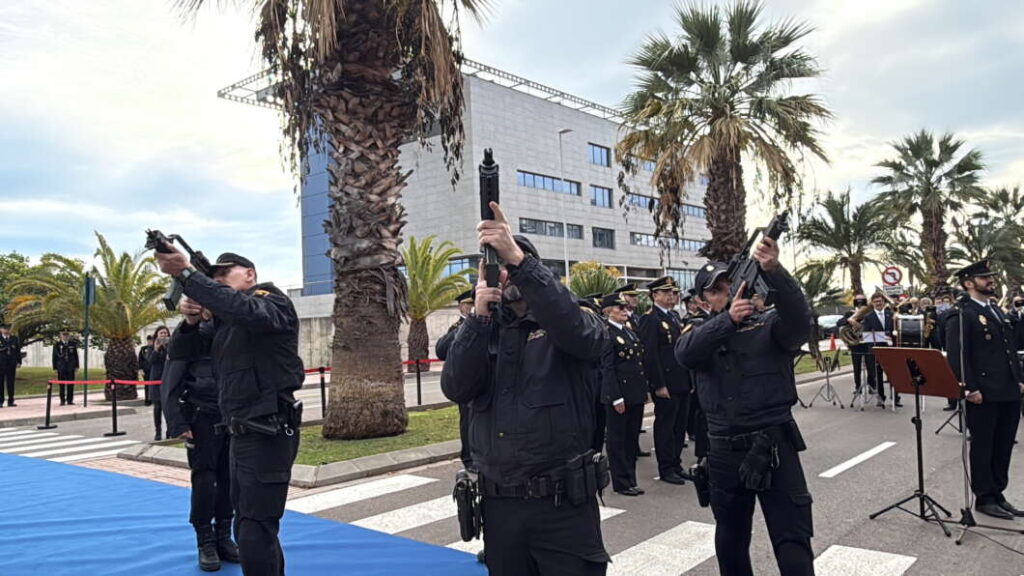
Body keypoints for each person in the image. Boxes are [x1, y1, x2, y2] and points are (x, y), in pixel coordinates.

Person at [441, 202, 610, 576]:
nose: (508, 273)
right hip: (502, 509)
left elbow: (580, 334)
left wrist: (518, 258)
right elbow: (456, 386)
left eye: (513, 263)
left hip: (563, 506)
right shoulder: (483, 331)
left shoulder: (571, 319)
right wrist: (478, 320)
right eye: (499, 265)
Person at [155, 250, 303, 576]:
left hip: (267, 430)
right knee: (249, 523)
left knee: (254, 527)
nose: (218, 282)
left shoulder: (270, 301)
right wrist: (191, 321)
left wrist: (188, 276)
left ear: (249, 274)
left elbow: (245, 309)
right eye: (214, 278)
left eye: (224, 275)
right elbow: (180, 353)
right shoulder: (228, 322)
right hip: (240, 433)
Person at [676, 237, 815, 576]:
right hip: (725, 450)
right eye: (715, 291)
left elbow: (800, 322)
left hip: (775, 443)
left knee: (793, 541)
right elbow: (685, 354)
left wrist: (774, 271)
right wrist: (728, 321)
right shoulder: (701, 330)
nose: (726, 293)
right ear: (701, 301)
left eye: (729, 285)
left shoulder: (768, 323)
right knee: (731, 539)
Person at [945, 260, 1024, 520]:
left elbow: (1008, 349)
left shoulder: (995, 310)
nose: (991, 280)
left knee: (1002, 445)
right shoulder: (962, 313)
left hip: (1008, 390)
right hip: (983, 393)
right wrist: (970, 388)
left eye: (990, 276)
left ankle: (998, 493)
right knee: (983, 445)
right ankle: (984, 497)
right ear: (969, 283)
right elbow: (958, 355)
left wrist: (1019, 379)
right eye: (984, 277)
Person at [163, 314, 240, 571]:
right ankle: (205, 540)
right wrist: (178, 423)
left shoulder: (234, 329)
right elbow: (171, 380)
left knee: (229, 478)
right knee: (205, 480)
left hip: (233, 417)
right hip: (201, 418)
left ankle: (223, 536)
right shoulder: (189, 335)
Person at [638, 276, 690, 486]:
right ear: (654, 295)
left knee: (679, 426)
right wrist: (658, 384)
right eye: (666, 292)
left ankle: (676, 463)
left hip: (681, 380)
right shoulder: (650, 319)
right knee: (666, 427)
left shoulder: (674, 317)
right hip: (666, 383)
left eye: (673, 292)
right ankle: (666, 467)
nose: (672, 295)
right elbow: (650, 355)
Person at [598, 292, 646, 497]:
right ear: (608, 311)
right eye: (620, 308)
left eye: (625, 308)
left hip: (634, 393)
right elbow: (607, 369)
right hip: (619, 395)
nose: (624, 311)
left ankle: (630, 478)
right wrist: (615, 396)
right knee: (617, 440)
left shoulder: (628, 332)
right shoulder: (607, 333)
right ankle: (620, 481)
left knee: (630, 438)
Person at [435, 288, 476, 469]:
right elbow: (441, 350)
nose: (471, 307)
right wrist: (467, 325)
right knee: (467, 421)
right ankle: (469, 459)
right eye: (468, 304)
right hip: (465, 382)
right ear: (460, 307)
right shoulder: (458, 327)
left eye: (473, 304)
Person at [837, 294, 871, 396]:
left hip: (867, 343)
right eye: (858, 300)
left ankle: (872, 386)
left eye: (862, 300)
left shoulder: (869, 313)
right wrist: (850, 320)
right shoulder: (849, 313)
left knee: (871, 367)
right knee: (856, 367)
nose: (860, 302)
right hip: (855, 345)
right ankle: (858, 387)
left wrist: (860, 322)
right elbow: (839, 323)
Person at [148, 326, 171, 441]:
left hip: (167, 378)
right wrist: (156, 350)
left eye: (165, 333)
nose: (163, 335)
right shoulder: (151, 347)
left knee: (168, 407)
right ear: (157, 335)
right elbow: (151, 361)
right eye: (161, 333)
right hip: (156, 380)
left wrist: (167, 347)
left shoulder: (170, 346)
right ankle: (158, 431)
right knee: (157, 407)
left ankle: (169, 431)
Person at [52, 331, 79, 406]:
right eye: (64, 335)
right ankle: (62, 400)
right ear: (60, 336)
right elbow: (54, 357)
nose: (65, 337)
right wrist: (55, 368)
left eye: (67, 335)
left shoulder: (72, 344)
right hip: (61, 367)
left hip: (70, 367)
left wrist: (76, 366)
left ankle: (70, 400)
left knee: (71, 384)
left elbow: (75, 356)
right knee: (62, 384)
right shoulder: (57, 345)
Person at [0, 323, 21, 407]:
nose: (6, 330)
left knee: (11, 383)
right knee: (0, 383)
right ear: (1, 329)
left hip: (11, 364)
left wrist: (19, 361)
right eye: (4, 328)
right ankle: (0, 401)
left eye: (8, 329)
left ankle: (11, 400)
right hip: (1, 364)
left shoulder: (14, 338)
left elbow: (17, 351)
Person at [139, 335, 155, 406]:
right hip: (146, 371)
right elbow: (140, 360)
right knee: (147, 386)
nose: (150, 342)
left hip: (154, 370)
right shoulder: (143, 350)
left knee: (154, 386)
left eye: (151, 340)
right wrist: (141, 369)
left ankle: (154, 399)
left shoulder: (156, 348)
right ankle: (147, 400)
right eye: (149, 340)